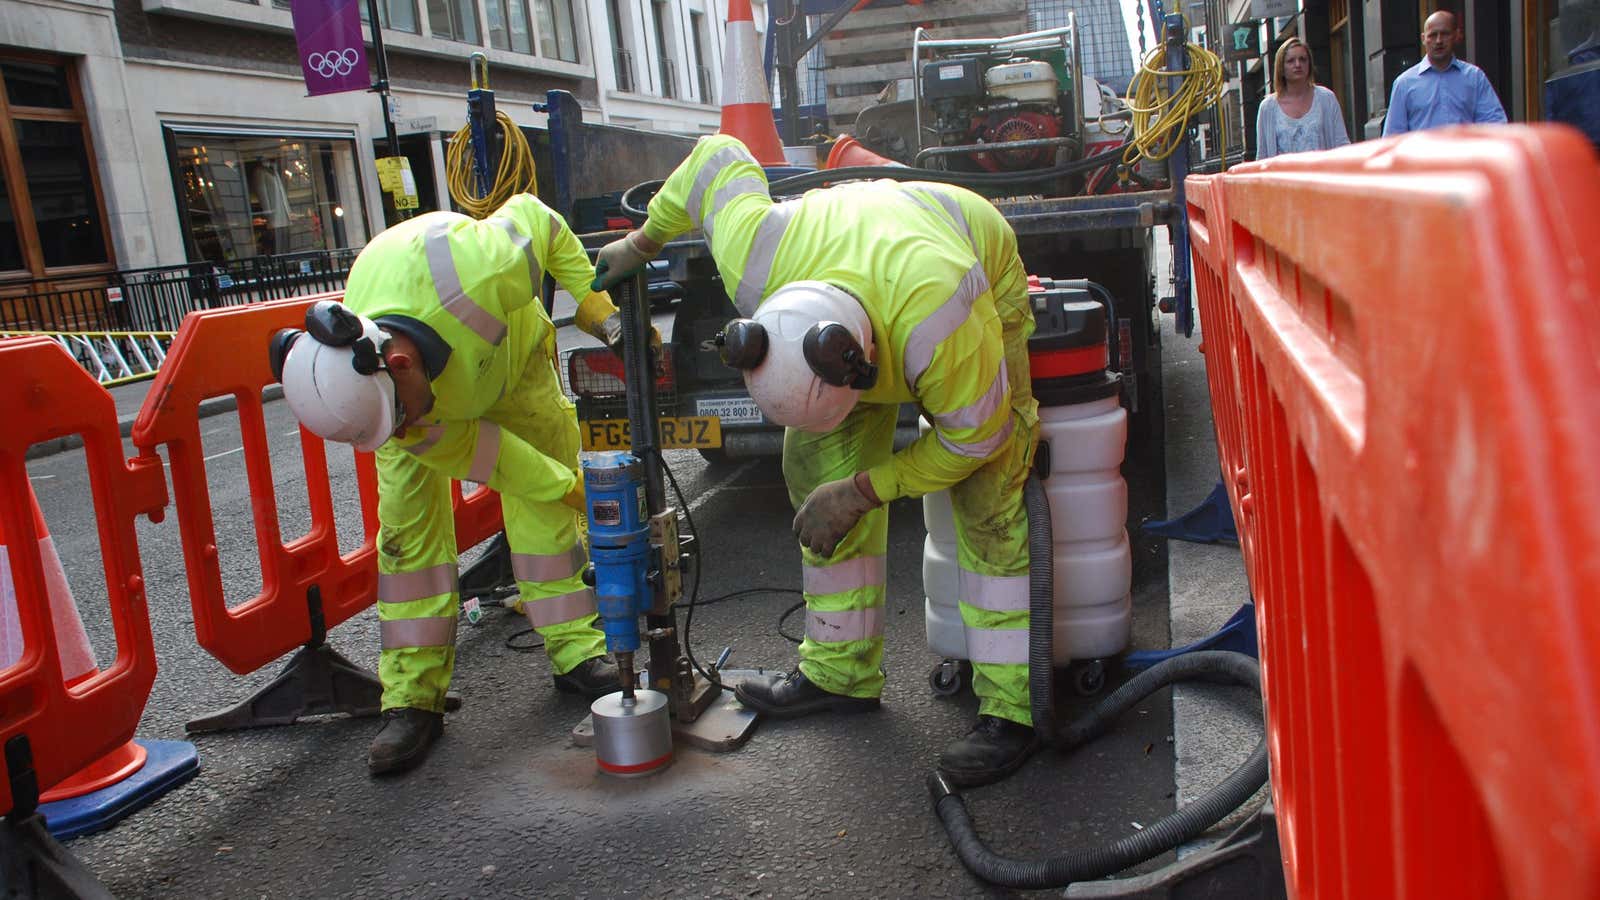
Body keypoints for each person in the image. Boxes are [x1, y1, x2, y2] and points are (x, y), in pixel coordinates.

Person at [594, 135, 1043, 788]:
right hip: (850, 284)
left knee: (988, 500)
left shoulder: (940, 318)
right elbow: (717, 158)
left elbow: (975, 436)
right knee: (814, 470)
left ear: (858, 365)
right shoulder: (754, 262)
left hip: (963, 248)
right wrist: (641, 244)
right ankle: (840, 673)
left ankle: (1012, 710)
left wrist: (864, 489)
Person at [269, 193, 634, 775]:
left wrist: (602, 314)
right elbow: (499, 461)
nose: (402, 435)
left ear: (401, 365)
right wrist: (575, 489)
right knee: (409, 542)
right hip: (445, 391)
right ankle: (413, 699)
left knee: (544, 519)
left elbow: (542, 222)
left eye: (401, 422)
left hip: (513, 369)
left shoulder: (481, 269)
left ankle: (576, 653)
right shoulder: (396, 418)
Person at [1382, 9, 1507, 136]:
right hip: (1423, 155)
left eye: (1445, 34)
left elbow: (1495, 126)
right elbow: (1393, 136)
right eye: (1433, 35)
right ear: (1424, 39)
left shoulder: (1474, 77)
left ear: (1456, 35)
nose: (1438, 41)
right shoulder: (1404, 84)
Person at [1255, 37, 1350, 159]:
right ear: (1281, 68)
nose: (1298, 64)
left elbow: (1342, 144)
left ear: (1309, 64)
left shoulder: (1326, 98)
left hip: (1321, 175)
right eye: (1290, 61)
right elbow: (1262, 157)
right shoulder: (1267, 107)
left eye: (1303, 59)